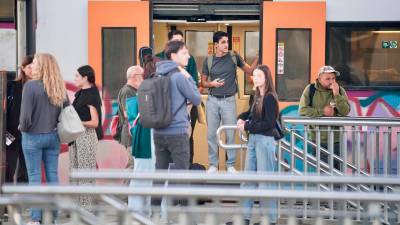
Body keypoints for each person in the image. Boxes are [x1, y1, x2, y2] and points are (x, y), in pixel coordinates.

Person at [201, 31, 258, 173]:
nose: (226, 45)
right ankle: (213, 165)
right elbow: (203, 82)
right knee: (212, 134)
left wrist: (258, 56)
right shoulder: (208, 60)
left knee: (231, 133)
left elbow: (250, 71)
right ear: (216, 45)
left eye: (227, 42)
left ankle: (230, 164)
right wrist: (212, 84)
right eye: (223, 42)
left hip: (229, 100)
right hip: (212, 101)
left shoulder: (234, 57)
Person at [19, 53, 67, 225]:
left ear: (42, 66)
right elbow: (65, 112)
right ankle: (53, 216)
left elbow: (25, 118)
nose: (33, 65)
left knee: (34, 177)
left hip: (32, 137)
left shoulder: (30, 87)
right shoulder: (59, 86)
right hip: (53, 136)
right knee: (53, 176)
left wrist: (22, 129)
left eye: (36, 63)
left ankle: (35, 219)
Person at [233, 65, 278, 225]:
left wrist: (247, 126)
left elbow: (269, 123)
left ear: (267, 78)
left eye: (259, 76)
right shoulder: (258, 94)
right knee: (248, 180)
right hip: (253, 139)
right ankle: (244, 218)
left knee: (266, 181)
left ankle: (270, 220)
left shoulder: (270, 97)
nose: (255, 78)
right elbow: (251, 114)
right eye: (255, 75)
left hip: (265, 140)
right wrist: (241, 117)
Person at [154, 40, 201, 171]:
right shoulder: (179, 77)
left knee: (160, 173)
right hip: (177, 132)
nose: (188, 56)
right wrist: (189, 77)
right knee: (181, 176)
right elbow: (196, 99)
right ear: (173, 56)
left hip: (158, 132)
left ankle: (158, 192)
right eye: (184, 52)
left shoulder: (157, 74)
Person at [298, 65, 350, 170]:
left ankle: (336, 187)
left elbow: (345, 111)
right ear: (319, 79)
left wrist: (336, 94)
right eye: (328, 78)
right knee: (322, 171)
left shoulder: (340, 90)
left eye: (333, 78)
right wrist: (322, 112)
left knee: (337, 171)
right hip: (317, 138)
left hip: (336, 139)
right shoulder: (310, 89)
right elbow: (302, 110)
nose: (332, 81)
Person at [69, 65, 103, 212]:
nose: (74, 78)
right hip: (75, 136)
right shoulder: (80, 93)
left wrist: (77, 123)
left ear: (86, 77)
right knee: (75, 172)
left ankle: (86, 209)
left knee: (85, 173)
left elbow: (95, 122)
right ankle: (77, 208)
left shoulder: (92, 94)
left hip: (86, 136)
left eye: (77, 76)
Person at [125, 65, 155, 217]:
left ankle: (139, 213)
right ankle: (140, 214)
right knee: (142, 178)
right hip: (144, 138)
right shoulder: (142, 94)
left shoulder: (140, 94)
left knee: (140, 177)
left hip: (140, 137)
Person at [5, 55, 33, 184]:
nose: (32, 69)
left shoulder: (39, 87)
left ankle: (24, 201)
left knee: (26, 169)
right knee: (8, 168)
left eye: (35, 67)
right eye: (29, 67)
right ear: (23, 68)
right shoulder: (12, 85)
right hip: (10, 133)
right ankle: (6, 201)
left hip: (30, 134)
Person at [115, 66, 144, 169]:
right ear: (135, 76)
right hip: (130, 136)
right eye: (142, 75)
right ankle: (128, 185)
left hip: (135, 134)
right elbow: (128, 114)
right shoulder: (127, 91)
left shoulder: (135, 91)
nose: (144, 78)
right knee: (132, 166)